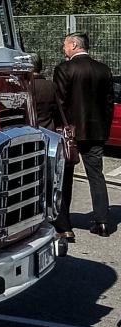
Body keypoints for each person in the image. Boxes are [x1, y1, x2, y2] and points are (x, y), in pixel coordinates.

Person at [53, 32, 115, 236]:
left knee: (65, 178)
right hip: (96, 131)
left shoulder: (64, 69)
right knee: (96, 175)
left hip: (70, 131)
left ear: (73, 45)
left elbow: (60, 102)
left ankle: (64, 226)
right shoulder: (103, 70)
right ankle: (103, 221)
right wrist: (104, 129)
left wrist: (62, 128)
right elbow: (108, 104)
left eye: (64, 45)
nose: (63, 48)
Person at [34, 53, 74, 241]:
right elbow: (60, 113)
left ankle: (49, 225)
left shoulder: (23, 86)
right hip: (50, 137)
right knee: (54, 183)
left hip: (32, 139)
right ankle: (65, 227)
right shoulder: (50, 86)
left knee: (39, 185)